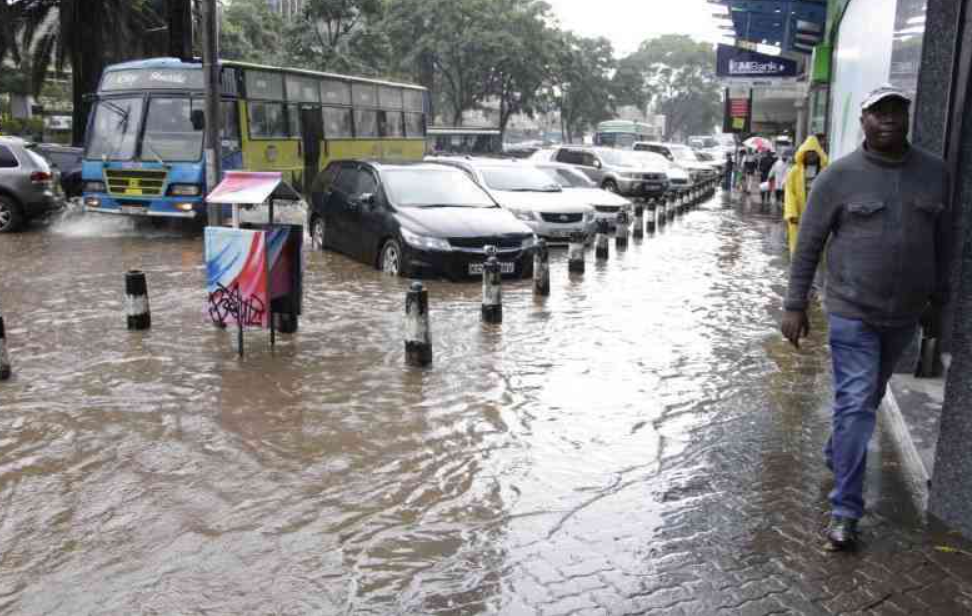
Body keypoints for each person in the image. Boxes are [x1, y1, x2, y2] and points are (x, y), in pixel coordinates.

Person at [781, 85, 951, 551]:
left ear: (908, 117)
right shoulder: (838, 176)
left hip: (906, 315)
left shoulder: (935, 174)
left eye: (897, 111)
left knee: (869, 396)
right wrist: (794, 304)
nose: (889, 120)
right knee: (856, 402)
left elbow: (946, 244)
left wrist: (940, 303)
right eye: (879, 113)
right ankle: (846, 511)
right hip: (852, 311)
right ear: (864, 121)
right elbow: (809, 242)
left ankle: (839, 452)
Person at [783, 135, 829, 255]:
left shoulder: (826, 171)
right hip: (799, 214)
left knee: (819, 247)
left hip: (820, 215)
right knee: (800, 247)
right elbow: (789, 193)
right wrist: (792, 213)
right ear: (803, 153)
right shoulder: (795, 171)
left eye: (813, 153)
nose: (811, 156)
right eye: (808, 153)